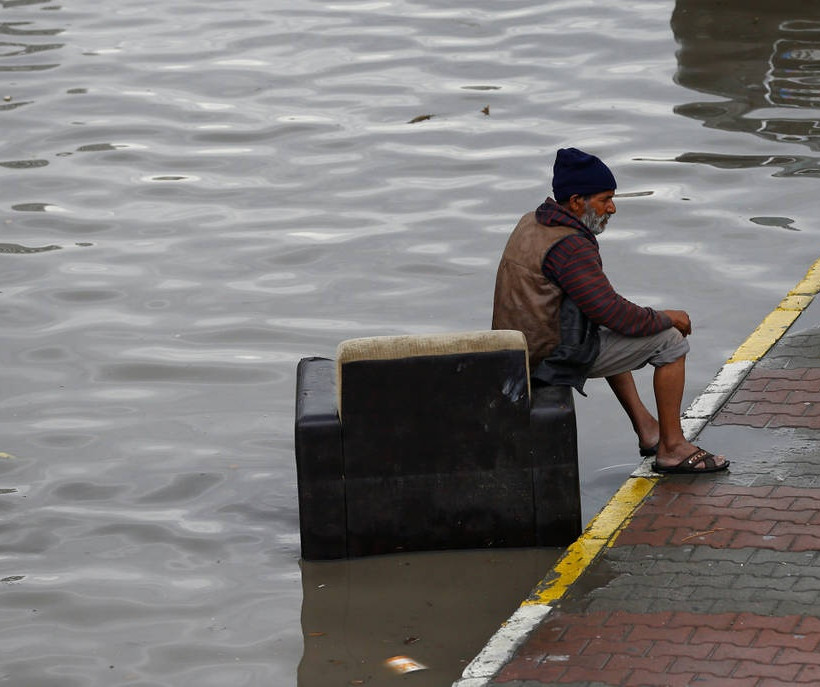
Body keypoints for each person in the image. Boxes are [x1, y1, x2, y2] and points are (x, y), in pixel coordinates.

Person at [492, 147, 728, 474]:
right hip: (546, 359)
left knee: (611, 325)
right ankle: (672, 448)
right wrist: (667, 317)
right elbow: (616, 314)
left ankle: (649, 430)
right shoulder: (570, 245)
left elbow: (602, 308)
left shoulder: (533, 221)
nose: (612, 208)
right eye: (605, 199)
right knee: (670, 340)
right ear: (576, 202)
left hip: (516, 350)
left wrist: (633, 317)